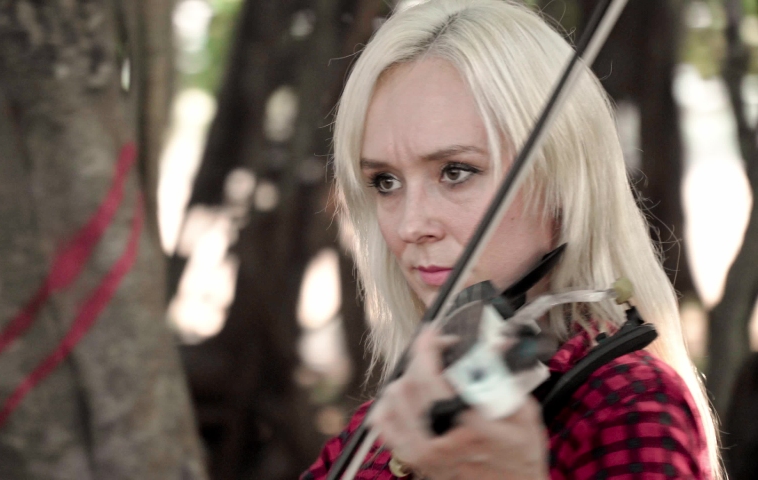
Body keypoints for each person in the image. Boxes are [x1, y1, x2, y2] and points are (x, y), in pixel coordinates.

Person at [301, 0, 722, 479]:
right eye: (386, 182)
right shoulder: (381, 429)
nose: (409, 226)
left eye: (455, 172)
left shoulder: (629, 403)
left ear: (560, 179)